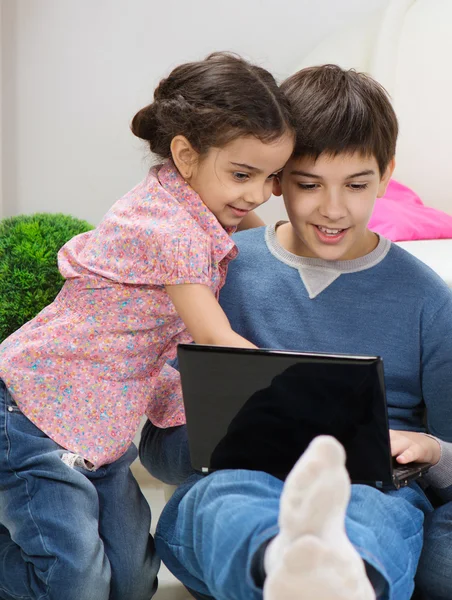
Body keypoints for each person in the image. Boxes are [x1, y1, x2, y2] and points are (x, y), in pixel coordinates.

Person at [139, 64, 452, 600]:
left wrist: (427, 448)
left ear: (387, 173)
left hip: (370, 488)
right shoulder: (214, 273)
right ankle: (279, 568)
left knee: (372, 513)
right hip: (234, 479)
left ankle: (337, 576)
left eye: (357, 185)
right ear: (277, 178)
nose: (333, 209)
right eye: (309, 185)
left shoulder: (427, 299)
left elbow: (447, 450)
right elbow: (156, 447)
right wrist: (227, 435)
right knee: (229, 499)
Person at [0, 52, 294, 600]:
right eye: (242, 175)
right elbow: (213, 338)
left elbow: (260, 242)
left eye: (272, 177)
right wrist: (296, 387)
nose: (257, 195)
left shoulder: (191, 199)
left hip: (98, 426)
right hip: (33, 411)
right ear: (185, 154)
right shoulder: (168, 229)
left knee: (135, 584)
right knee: (76, 587)